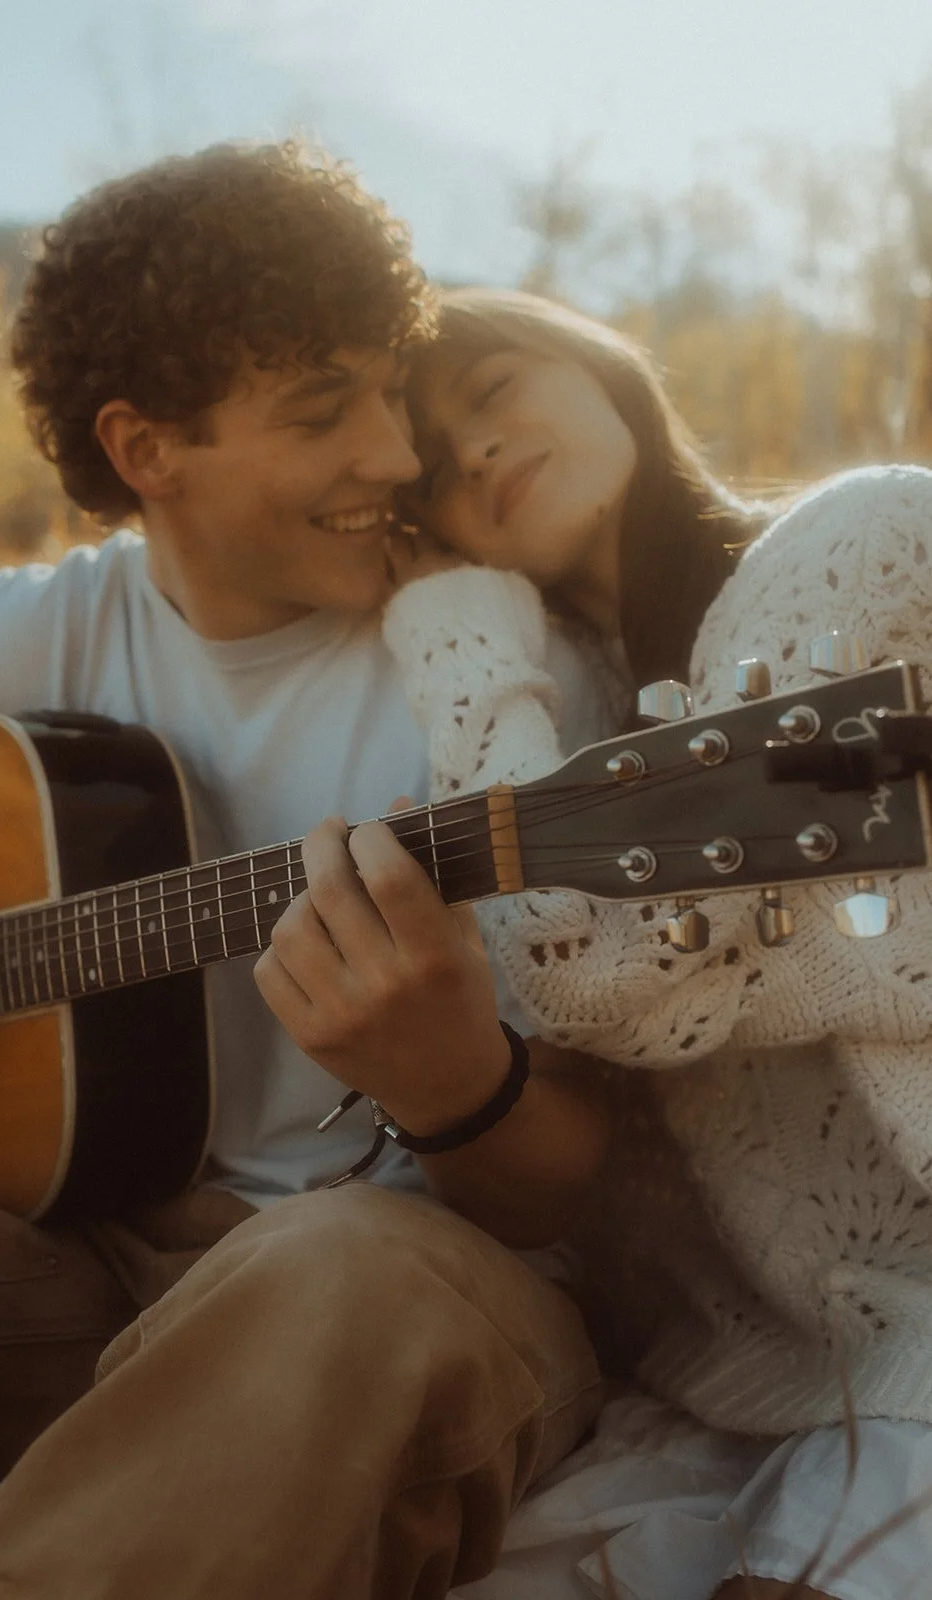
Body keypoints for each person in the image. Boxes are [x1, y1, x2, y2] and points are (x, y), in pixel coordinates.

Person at [0, 151, 611, 1600]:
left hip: (413, 1280)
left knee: (336, 1277)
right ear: (147, 449)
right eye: (321, 411)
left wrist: (454, 1089)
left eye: (387, 389)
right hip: (75, 1257)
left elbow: (578, 1186)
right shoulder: (41, 628)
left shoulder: (498, 673)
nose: (395, 455)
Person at [381, 284, 932, 1600]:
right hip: (740, 1385)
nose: (477, 449)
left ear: (602, 366)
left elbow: (596, 970)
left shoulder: (860, 538)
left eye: (494, 390)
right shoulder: (574, 708)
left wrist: (455, 638)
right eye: (436, 463)